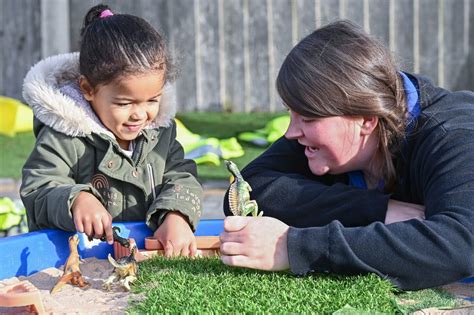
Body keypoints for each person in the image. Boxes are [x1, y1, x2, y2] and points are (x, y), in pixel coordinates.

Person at [220, 20, 474, 290]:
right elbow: (248, 187)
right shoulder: (332, 126)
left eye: (306, 117)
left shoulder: (454, 136)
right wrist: (376, 209)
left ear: (366, 120)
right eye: (291, 113)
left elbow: (459, 244)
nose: (292, 132)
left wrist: (293, 247)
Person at [20, 4, 203, 257]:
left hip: (141, 255)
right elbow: (39, 187)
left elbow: (181, 175)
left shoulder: (159, 131)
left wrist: (176, 214)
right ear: (88, 89)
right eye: (124, 103)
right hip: (74, 256)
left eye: (152, 100)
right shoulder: (64, 134)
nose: (140, 114)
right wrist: (76, 199)